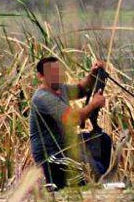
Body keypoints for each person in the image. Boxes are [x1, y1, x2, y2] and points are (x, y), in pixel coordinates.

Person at [29, 56, 106, 191]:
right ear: (41, 76)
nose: (57, 75)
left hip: (66, 148)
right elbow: (73, 119)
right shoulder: (43, 98)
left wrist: (93, 74)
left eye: (58, 71)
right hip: (51, 156)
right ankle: (56, 183)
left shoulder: (61, 88)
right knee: (93, 170)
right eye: (52, 72)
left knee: (103, 140)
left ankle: (100, 177)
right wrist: (94, 104)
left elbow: (81, 88)